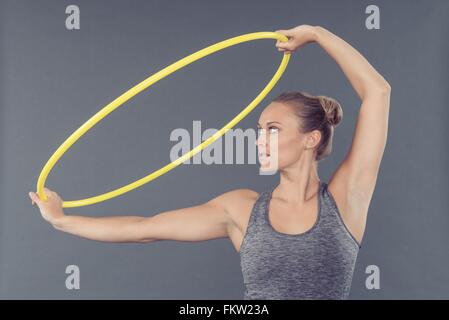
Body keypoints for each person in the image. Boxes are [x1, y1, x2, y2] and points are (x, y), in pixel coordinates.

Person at [29, 25, 391, 299]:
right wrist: (62, 221)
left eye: (274, 129)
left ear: (311, 139)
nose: (260, 138)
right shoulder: (241, 209)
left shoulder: (347, 198)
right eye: (260, 129)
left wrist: (316, 33)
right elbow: (143, 228)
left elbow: (378, 92)